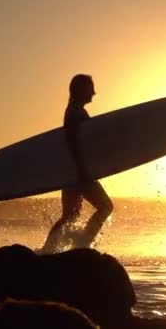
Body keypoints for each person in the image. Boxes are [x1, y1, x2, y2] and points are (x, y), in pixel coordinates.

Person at [41, 74, 113, 252]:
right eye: (91, 88)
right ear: (81, 90)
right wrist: (81, 169)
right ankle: (82, 245)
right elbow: (72, 142)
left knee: (70, 215)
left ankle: (47, 250)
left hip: (71, 172)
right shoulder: (76, 112)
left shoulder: (73, 110)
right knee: (105, 207)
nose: (94, 93)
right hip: (79, 172)